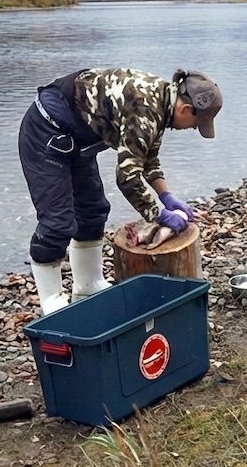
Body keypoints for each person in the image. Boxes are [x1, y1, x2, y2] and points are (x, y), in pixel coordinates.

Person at [18, 68, 224, 314]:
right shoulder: (146, 110)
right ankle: (51, 301)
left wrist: (166, 196)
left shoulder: (161, 102)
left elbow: (148, 159)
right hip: (46, 131)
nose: (192, 129)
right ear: (186, 109)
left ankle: (88, 285)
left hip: (76, 138)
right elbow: (127, 177)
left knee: (93, 210)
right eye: (196, 124)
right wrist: (158, 215)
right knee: (58, 222)